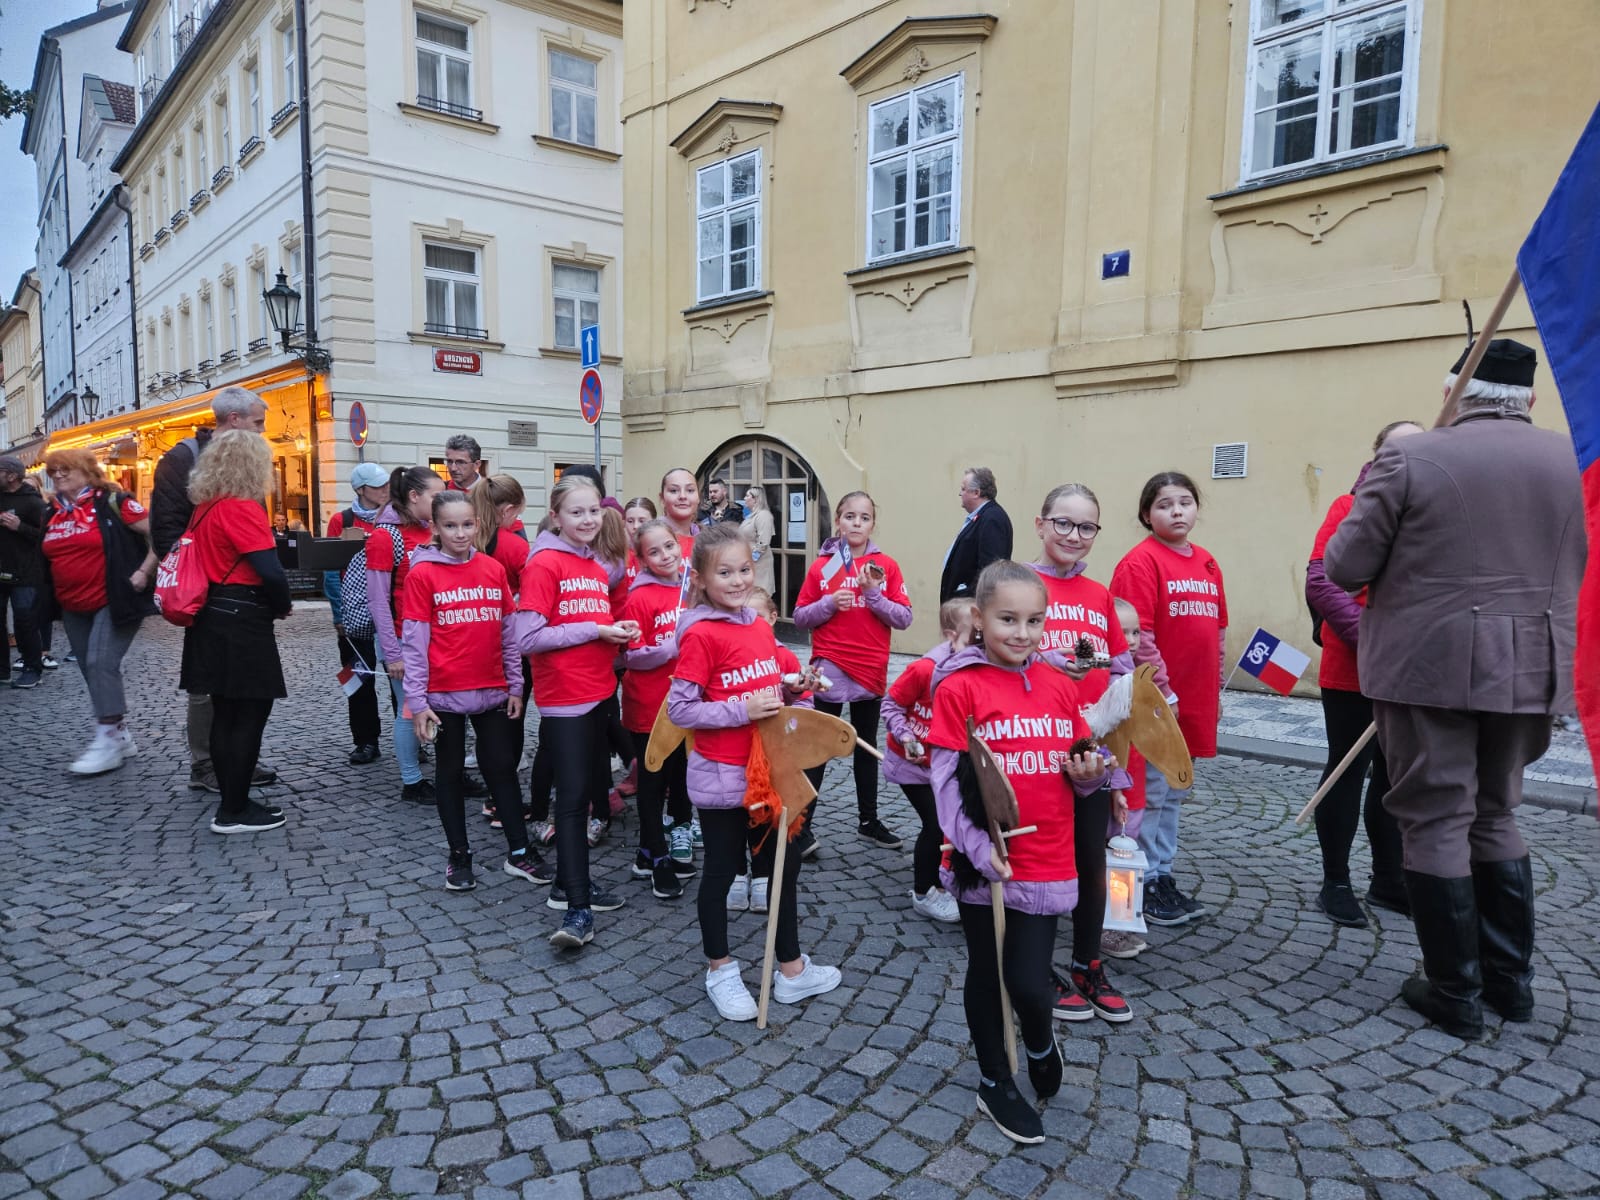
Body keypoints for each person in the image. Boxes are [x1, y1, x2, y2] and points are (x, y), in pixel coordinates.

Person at [1325, 339, 1583, 1040]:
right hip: (1537, 664)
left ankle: (1456, 994)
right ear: (1529, 400)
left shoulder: (1410, 456)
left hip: (1428, 666)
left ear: (1455, 392)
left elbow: (1345, 565)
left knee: (1437, 817)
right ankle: (1511, 985)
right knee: (1497, 811)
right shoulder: (1577, 456)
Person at [925, 560, 1115, 1145]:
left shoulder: (1061, 686)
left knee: (1032, 983)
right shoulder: (959, 687)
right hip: (990, 864)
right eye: (1008, 619)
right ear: (979, 619)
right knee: (988, 972)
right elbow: (948, 783)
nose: (1023, 632)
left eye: (1035, 620)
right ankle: (994, 1079)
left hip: (1051, 856)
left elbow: (1081, 767)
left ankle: (1039, 1037)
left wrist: (1090, 777)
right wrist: (978, 849)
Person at [668, 522, 838, 1022]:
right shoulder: (700, 634)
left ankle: (791, 969)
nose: (738, 580)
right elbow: (681, 710)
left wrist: (790, 689)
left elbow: (761, 687)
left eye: (744, 569)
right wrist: (742, 710)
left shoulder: (759, 625)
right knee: (721, 871)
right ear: (700, 577)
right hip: (721, 775)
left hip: (766, 771)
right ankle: (720, 968)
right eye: (725, 572)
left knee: (782, 869)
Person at [1304, 420, 1424, 927]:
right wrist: (1377, 642)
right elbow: (1322, 582)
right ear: (1378, 455)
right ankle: (1335, 881)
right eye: (1399, 447)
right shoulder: (1348, 508)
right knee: (1346, 771)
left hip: (1413, 671)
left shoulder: (1430, 511)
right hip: (1355, 666)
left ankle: (1388, 878)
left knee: (1395, 776)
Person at [402, 488, 551, 890]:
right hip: (443, 695)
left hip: (493, 691)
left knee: (501, 769)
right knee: (449, 772)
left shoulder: (492, 569)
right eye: (450, 526)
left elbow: (508, 632)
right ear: (434, 527)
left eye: (468, 524)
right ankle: (459, 854)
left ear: (479, 524)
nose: (460, 533)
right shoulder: (422, 574)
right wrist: (417, 703)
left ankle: (519, 851)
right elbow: (414, 642)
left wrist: (516, 686)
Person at [515, 474, 638, 948]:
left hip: (599, 692)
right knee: (569, 803)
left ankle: (571, 884)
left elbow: (593, 627)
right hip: (565, 699)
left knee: (588, 789)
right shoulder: (545, 564)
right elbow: (529, 638)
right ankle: (577, 912)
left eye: (594, 512)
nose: (588, 520)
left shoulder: (592, 566)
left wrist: (617, 633)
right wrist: (594, 629)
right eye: (576, 512)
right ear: (556, 516)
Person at [1029, 483, 1135, 1023]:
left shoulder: (1097, 595)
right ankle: (1035, 965)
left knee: (1091, 858)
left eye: (1086, 526)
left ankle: (1087, 962)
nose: (1074, 535)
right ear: (1041, 524)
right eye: (1064, 523)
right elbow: (987, 655)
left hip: (1090, 747)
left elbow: (1119, 663)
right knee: (1044, 860)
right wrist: (1045, 660)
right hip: (1035, 743)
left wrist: (1126, 678)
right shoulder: (1018, 584)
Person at [1111, 472, 1227, 928]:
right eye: (1164, 504)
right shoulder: (1140, 563)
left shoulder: (1208, 563)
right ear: (1146, 514)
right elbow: (1138, 637)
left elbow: (1217, 629)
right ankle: (1146, 880)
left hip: (1194, 699)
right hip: (1160, 703)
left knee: (1176, 788)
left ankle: (1162, 873)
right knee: (1153, 794)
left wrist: (1214, 687)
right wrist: (1164, 691)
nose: (1177, 511)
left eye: (1185, 502)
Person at [150, 386, 276, 795]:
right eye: (258, 423)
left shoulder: (243, 466)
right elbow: (167, 528)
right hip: (208, 591)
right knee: (209, 690)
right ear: (235, 420)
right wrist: (204, 576)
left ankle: (237, 763)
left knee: (234, 693)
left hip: (236, 589)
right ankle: (206, 765)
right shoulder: (182, 459)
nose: (262, 431)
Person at [178, 431, 291, 832]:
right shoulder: (241, 509)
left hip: (209, 616)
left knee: (226, 714)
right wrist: (282, 606)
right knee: (249, 715)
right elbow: (270, 571)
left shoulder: (205, 508)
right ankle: (235, 810)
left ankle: (232, 801)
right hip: (241, 618)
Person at [795, 491, 913, 850]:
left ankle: (868, 819)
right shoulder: (824, 567)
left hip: (870, 668)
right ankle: (801, 825)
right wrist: (828, 603)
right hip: (829, 665)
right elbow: (800, 617)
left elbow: (904, 618)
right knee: (819, 745)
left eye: (864, 517)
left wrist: (874, 594)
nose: (856, 523)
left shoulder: (885, 567)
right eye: (849, 516)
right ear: (838, 522)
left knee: (865, 747)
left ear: (872, 523)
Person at [40, 449, 158, 774]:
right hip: (71, 604)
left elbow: (158, 534)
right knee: (91, 671)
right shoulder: (51, 512)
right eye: (54, 470)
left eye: (67, 469)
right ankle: (120, 734)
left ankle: (107, 738)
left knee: (100, 663)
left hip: (114, 599)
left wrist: (144, 573)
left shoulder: (113, 502)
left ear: (88, 471)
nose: (59, 474)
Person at [882, 598, 973, 925]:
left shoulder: (976, 671)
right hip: (911, 764)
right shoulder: (924, 669)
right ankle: (924, 892)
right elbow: (890, 704)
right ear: (951, 636)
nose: (979, 645)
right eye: (971, 638)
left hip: (943, 766)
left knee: (951, 823)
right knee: (935, 823)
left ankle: (943, 878)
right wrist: (907, 737)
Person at [619, 519, 697, 899]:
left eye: (669, 546)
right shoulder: (639, 597)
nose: (665, 555)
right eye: (654, 551)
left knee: (682, 774)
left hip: (686, 703)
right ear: (642, 559)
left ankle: (675, 833)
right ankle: (656, 852)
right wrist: (672, 648)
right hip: (649, 705)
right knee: (652, 780)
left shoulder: (693, 588)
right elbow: (632, 657)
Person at [368, 465, 446, 804]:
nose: (441, 500)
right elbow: (377, 599)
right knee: (408, 708)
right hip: (403, 639)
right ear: (414, 496)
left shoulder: (430, 529)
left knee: (438, 704)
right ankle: (411, 781)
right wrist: (392, 653)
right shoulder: (386, 536)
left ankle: (447, 772)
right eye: (435, 495)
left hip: (436, 638)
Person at [325, 461, 391, 766]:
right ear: (361, 489)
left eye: (386, 485)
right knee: (359, 678)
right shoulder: (342, 520)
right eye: (377, 486)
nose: (384, 490)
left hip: (390, 610)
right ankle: (365, 740)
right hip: (354, 612)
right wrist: (339, 614)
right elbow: (331, 569)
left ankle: (413, 737)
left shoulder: (392, 518)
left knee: (400, 679)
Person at [0, 455, 49, 689]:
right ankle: (2, 670)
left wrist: (20, 527)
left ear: (11, 476)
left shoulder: (33, 502)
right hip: (1, 567)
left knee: (24, 620)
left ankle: (32, 668)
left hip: (26, 571)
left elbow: (48, 535)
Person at [940, 466, 1013, 602]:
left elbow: (991, 572)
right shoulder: (982, 516)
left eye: (963, 489)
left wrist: (966, 597)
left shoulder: (992, 519)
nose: (960, 494)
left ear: (976, 493)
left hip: (971, 610)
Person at [740, 486, 776, 597]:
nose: (744, 498)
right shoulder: (750, 516)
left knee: (760, 595)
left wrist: (752, 559)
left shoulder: (764, 515)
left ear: (755, 499)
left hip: (759, 563)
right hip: (749, 562)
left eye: (747, 496)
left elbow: (763, 542)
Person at [659, 468, 701, 556]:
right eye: (674, 490)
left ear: (698, 497)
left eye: (690, 490)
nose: (682, 496)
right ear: (662, 498)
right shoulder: (650, 538)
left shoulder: (705, 540)